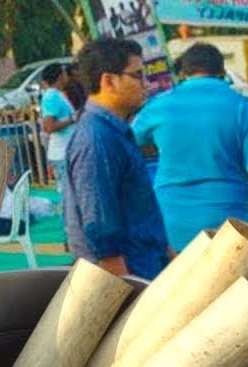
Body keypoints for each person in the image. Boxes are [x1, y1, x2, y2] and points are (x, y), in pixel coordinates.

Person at [132, 42, 248, 254]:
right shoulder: (241, 106)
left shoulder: (158, 106)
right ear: (222, 72)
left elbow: (130, 144)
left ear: (183, 73)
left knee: (182, 287)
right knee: (236, 287)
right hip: (230, 223)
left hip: (172, 223)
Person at [63, 38, 170, 279]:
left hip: (145, 265)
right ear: (108, 81)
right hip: (127, 275)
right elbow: (100, 226)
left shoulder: (114, 131)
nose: (147, 84)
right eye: (138, 76)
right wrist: (125, 292)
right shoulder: (96, 139)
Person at [40, 63, 77, 202]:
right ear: (60, 76)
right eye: (64, 73)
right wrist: (72, 119)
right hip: (62, 153)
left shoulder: (58, 95)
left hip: (67, 151)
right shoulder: (51, 97)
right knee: (68, 195)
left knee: (72, 193)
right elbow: (49, 126)